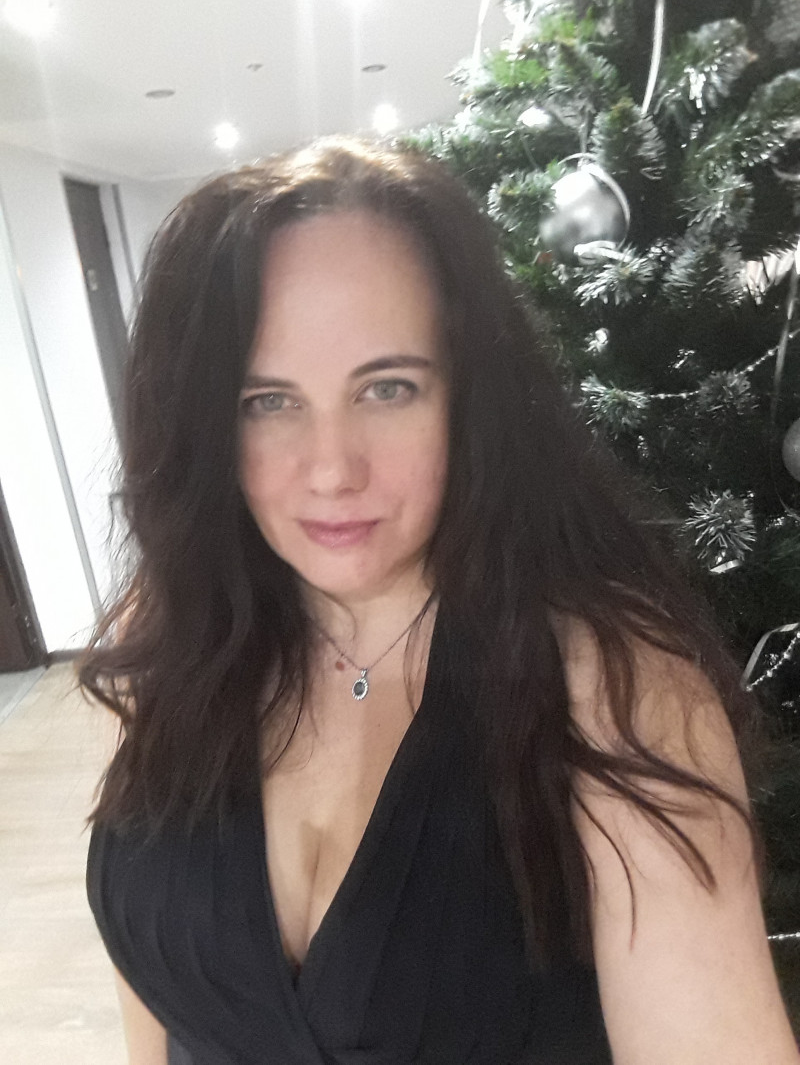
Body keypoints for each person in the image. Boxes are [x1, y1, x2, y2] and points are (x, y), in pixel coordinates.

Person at [81, 137, 799, 1065]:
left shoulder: (616, 696)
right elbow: (157, 1013)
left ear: (470, 398)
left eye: (388, 388)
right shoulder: (172, 640)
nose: (332, 469)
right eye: (268, 401)